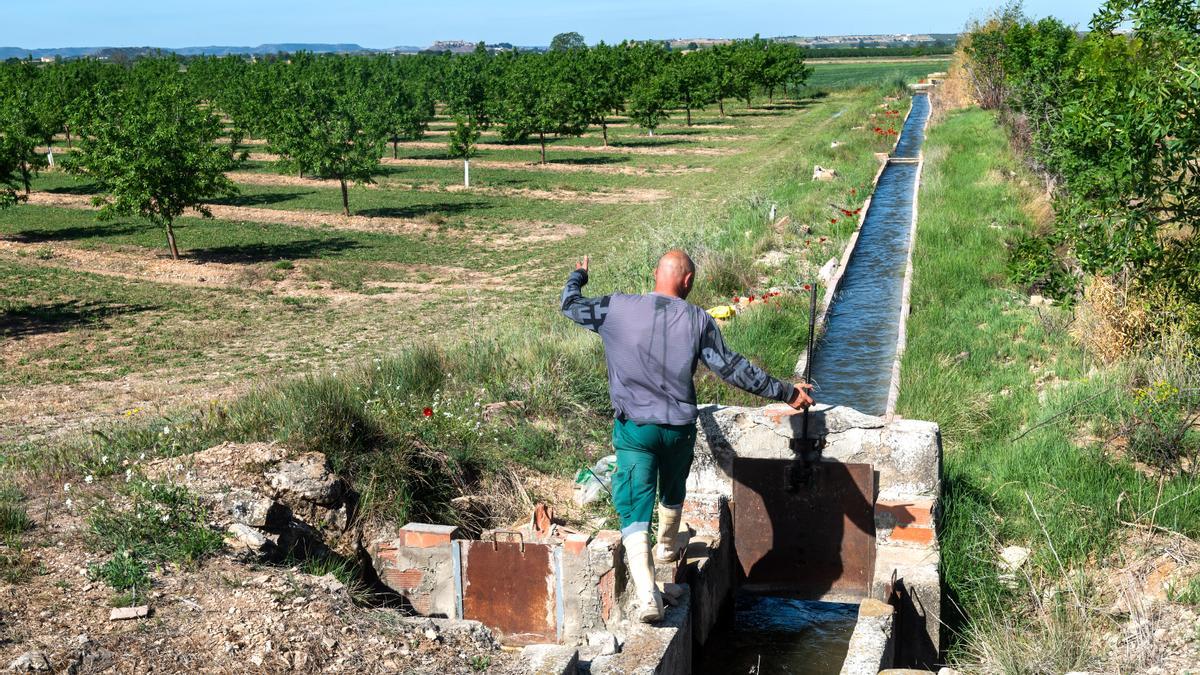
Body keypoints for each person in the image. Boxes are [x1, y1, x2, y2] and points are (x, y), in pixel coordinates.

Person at [561, 250, 814, 622]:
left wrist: (578, 276)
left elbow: (570, 305)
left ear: (654, 274)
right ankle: (666, 550)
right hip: (679, 430)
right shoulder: (698, 320)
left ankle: (649, 595)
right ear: (689, 281)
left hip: (635, 431)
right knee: (673, 489)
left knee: (633, 507)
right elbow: (733, 369)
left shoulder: (615, 309)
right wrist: (788, 393)